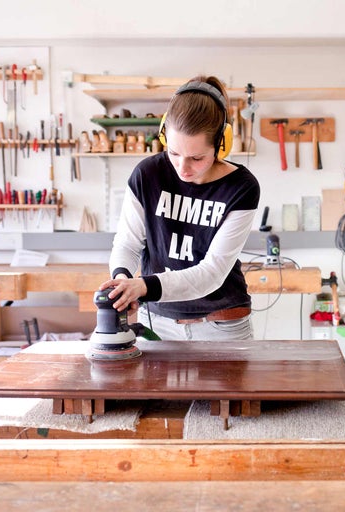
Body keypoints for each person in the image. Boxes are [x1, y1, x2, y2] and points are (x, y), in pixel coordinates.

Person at [99, 75, 260, 341]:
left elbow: (212, 273)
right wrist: (121, 280)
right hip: (157, 322)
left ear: (221, 144)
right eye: (173, 153)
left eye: (196, 158)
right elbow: (128, 244)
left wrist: (142, 286)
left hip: (221, 325)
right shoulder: (147, 174)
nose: (182, 168)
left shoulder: (241, 188)